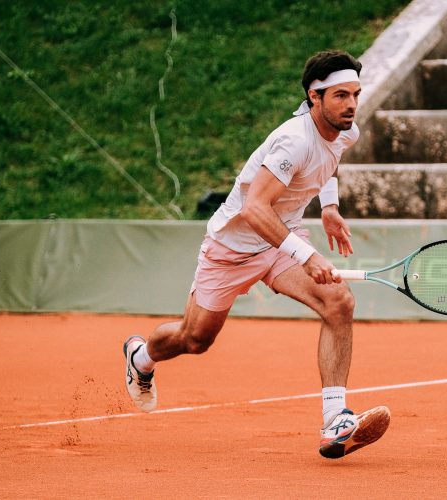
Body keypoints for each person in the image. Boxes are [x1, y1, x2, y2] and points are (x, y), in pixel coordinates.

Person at [123, 50, 390, 459]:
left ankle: (335, 421)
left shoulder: (344, 129)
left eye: (355, 94)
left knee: (338, 301)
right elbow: (254, 209)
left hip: (280, 240)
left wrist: (330, 207)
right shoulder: (293, 141)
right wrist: (307, 256)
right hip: (232, 248)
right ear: (314, 96)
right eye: (340, 95)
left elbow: (329, 160)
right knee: (195, 339)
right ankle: (141, 357)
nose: (351, 104)